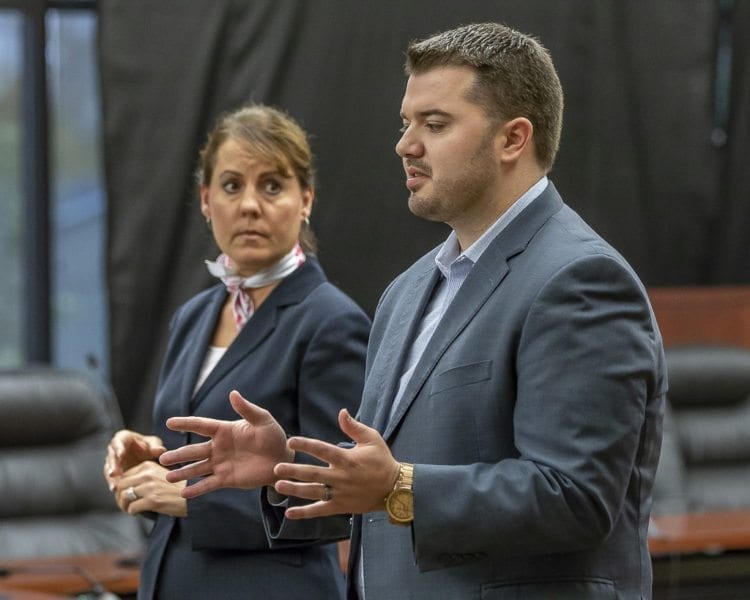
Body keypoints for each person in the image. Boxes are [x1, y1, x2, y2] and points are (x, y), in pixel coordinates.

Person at [160, 23, 666, 599]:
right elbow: (378, 496)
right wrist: (292, 469)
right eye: (406, 123)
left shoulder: (580, 279)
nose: (405, 144)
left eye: (435, 124)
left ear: (513, 139)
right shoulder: (406, 291)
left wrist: (398, 485)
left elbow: (576, 497)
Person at [103, 103, 371, 600]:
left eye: (273, 186)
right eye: (231, 186)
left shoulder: (332, 322)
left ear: (305, 198)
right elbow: (215, 456)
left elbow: (342, 497)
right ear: (206, 200)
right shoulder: (192, 316)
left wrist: (192, 501)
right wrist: (155, 456)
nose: (250, 205)